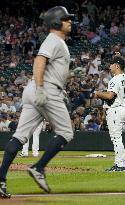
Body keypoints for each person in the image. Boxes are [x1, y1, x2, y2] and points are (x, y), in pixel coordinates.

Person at [0, 6, 74, 198]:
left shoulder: (57, 42)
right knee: (66, 132)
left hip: (36, 89)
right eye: (66, 19)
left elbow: (50, 67)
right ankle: (38, 167)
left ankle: (0, 180)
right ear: (57, 22)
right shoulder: (54, 40)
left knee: (20, 135)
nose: (70, 21)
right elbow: (39, 61)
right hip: (45, 90)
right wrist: (42, 88)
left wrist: (68, 77)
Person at [94, 56, 125, 172]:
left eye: (112, 64)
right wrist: (118, 56)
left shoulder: (115, 79)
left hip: (115, 110)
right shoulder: (124, 77)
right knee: (118, 138)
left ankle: (120, 165)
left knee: (116, 139)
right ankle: (121, 163)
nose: (110, 66)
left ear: (117, 66)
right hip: (121, 108)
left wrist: (97, 93)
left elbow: (109, 96)